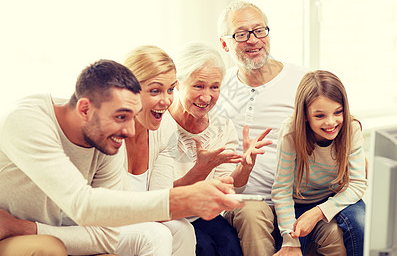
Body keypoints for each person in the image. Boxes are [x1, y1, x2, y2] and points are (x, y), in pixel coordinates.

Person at [0, 59, 243, 255]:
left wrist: (26, 227)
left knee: (169, 233)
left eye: (132, 116)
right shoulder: (26, 121)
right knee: (47, 248)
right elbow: (83, 204)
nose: (128, 131)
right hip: (8, 233)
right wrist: (181, 199)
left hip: (34, 227)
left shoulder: (104, 141)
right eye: (121, 117)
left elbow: (106, 234)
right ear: (84, 109)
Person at [214, 0, 347, 256]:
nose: (253, 40)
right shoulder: (219, 86)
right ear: (224, 44)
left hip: (300, 197)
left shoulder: (302, 80)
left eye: (260, 30)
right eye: (241, 34)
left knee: (334, 231)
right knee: (251, 214)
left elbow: (336, 128)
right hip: (246, 200)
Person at [150, 41, 272, 256]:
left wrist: (245, 166)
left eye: (214, 87)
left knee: (229, 245)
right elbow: (158, 197)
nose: (206, 97)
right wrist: (201, 169)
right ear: (177, 84)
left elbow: (230, 186)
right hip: (168, 214)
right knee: (203, 247)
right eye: (198, 86)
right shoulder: (158, 121)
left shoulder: (222, 125)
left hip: (201, 213)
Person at [272, 70, 367, 256]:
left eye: (338, 112)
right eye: (320, 116)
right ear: (305, 115)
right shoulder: (290, 132)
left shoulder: (352, 128)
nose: (331, 122)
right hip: (299, 202)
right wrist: (290, 241)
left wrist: (318, 212)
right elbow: (281, 190)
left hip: (339, 197)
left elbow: (356, 184)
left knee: (361, 223)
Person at [115, 45, 196, 256]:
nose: (167, 101)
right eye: (155, 91)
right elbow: (110, 209)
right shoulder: (108, 129)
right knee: (155, 235)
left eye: (170, 89)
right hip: (97, 222)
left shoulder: (166, 127)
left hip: (136, 219)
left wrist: (199, 201)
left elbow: (158, 201)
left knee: (183, 230)